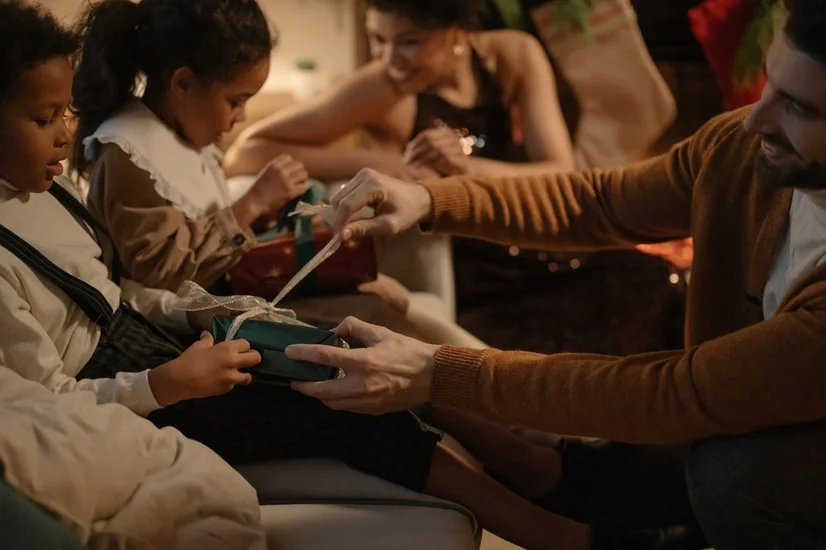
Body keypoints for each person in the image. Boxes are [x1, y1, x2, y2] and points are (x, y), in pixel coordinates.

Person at [0, 2, 682, 548]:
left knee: (367, 350)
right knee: (363, 398)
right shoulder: (114, 161)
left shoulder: (47, 190)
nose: (65, 134)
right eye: (42, 117)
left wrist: (208, 309)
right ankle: (561, 527)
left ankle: (540, 473)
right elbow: (53, 396)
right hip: (149, 380)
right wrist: (165, 381)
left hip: (172, 337)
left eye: (65, 112)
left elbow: (127, 287)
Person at [284, 1, 826, 548]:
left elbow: (679, 393)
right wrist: (429, 198)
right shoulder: (739, 145)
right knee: (656, 462)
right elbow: (598, 200)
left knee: (730, 474)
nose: (758, 118)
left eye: (800, 108)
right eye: (771, 84)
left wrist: (438, 372)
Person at [223, 0, 685, 356]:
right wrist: (375, 165)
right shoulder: (384, 87)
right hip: (475, 262)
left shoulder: (512, 56)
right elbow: (249, 151)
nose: (390, 59)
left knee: (658, 280)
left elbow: (559, 171)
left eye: (410, 42)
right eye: (377, 40)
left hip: (536, 232)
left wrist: (464, 168)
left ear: (457, 32)